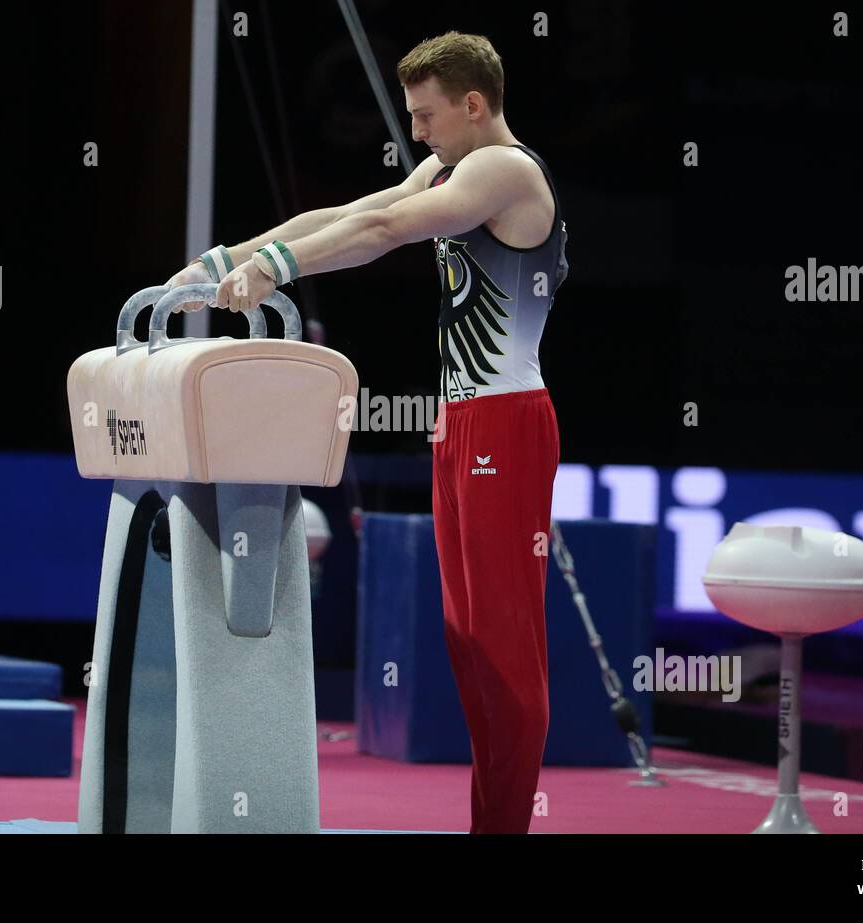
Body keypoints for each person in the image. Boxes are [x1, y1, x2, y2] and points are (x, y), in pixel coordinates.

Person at [165, 30, 568, 834]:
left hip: (507, 423)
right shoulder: (452, 169)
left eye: (426, 115)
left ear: (474, 104)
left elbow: (386, 232)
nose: (414, 131)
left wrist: (278, 269)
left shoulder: (505, 171)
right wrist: (226, 260)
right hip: (460, 424)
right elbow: (353, 213)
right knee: (467, 640)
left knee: (504, 644)